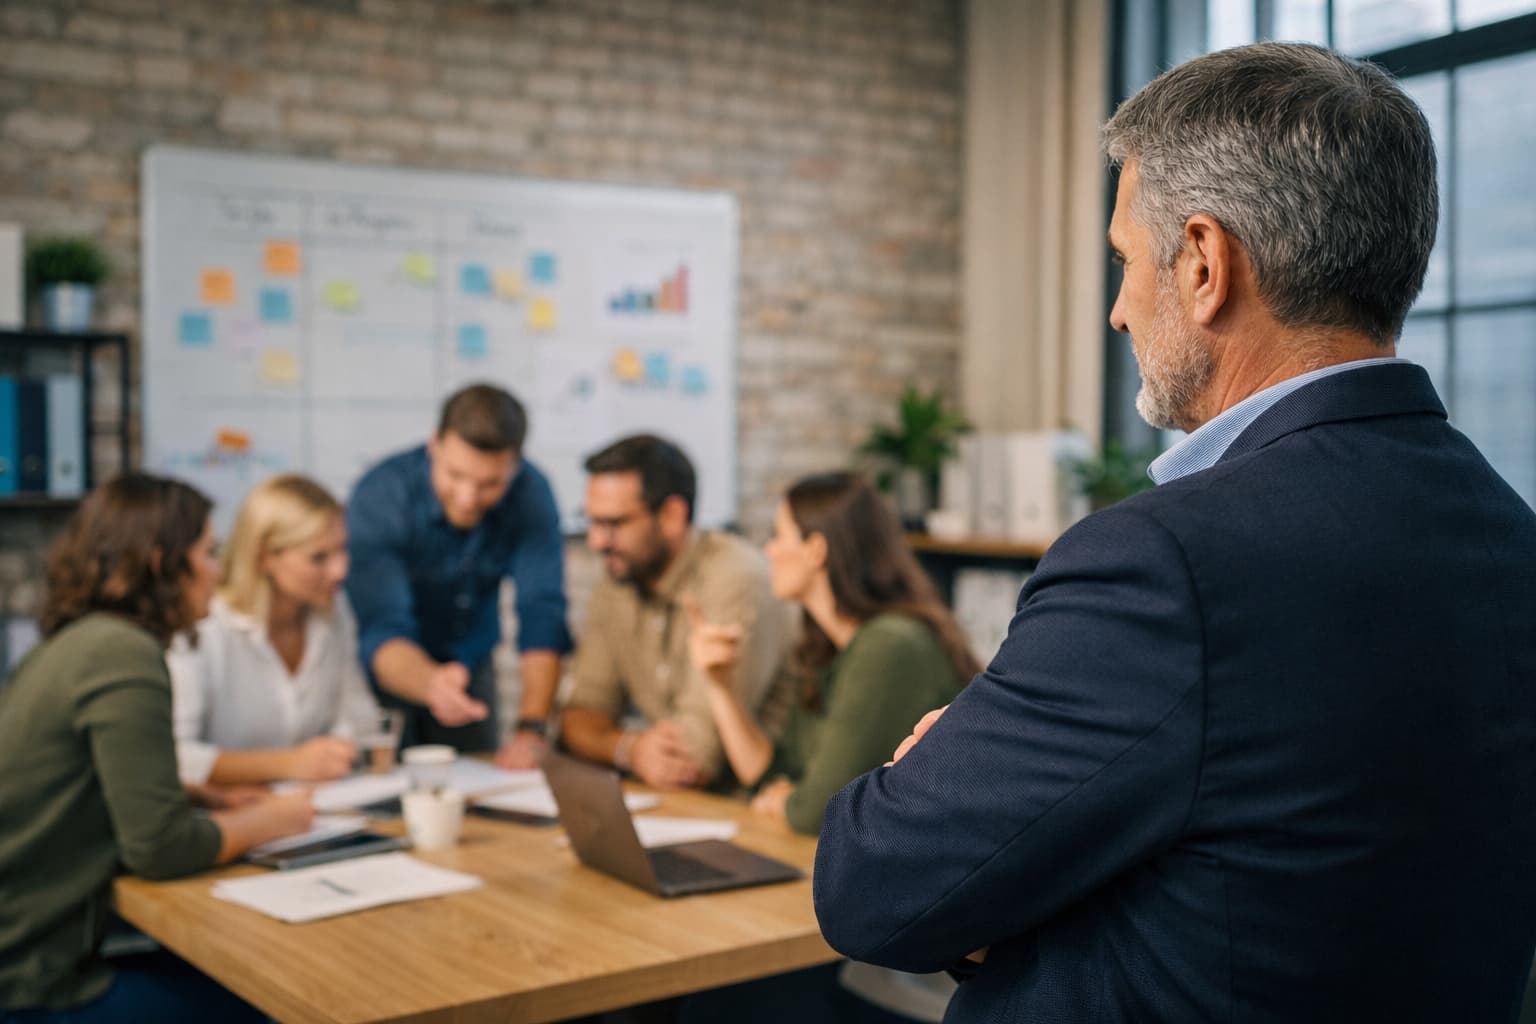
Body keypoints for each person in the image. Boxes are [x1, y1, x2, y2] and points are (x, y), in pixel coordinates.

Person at [813, 42, 1536, 1023]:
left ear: (1203, 262)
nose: (1116, 310)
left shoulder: (1163, 564)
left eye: (1123, 260)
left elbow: (870, 887)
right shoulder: (1508, 533)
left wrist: (930, 785)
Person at [0, 473, 314, 1022]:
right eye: (208, 554)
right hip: (32, 985)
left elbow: (84, 786)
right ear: (159, 563)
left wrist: (194, 796)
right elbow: (160, 848)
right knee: (277, 1002)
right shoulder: (123, 654)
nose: (218, 573)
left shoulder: (74, 643)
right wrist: (277, 819)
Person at [687, 471, 974, 834]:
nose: (768, 551)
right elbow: (768, 774)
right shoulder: (827, 648)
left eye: (778, 535)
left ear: (816, 549)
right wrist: (719, 686)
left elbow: (816, 811)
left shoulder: (890, 645)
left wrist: (791, 802)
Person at [346, 383, 572, 764]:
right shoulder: (380, 495)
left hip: (470, 669)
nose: (468, 498)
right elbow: (381, 624)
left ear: (515, 465)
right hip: (389, 670)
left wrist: (532, 728)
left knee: (477, 783)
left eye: (489, 484)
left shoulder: (531, 492)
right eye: (455, 475)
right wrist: (432, 684)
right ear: (434, 443)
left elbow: (541, 611)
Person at [557, 434, 797, 789]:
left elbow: (696, 760)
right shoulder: (619, 578)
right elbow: (579, 717)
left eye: (614, 524)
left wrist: (616, 745)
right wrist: (629, 748)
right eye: (590, 521)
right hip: (683, 805)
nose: (596, 541)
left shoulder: (734, 577)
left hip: (758, 803)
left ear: (672, 515)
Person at [167, 474, 381, 786]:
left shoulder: (334, 609)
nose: (340, 570)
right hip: (226, 819)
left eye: (342, 550)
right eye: (318, 558)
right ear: (266, 556)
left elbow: (360, 719)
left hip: (315, 811)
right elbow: (172, 756)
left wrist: (339, 751)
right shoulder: (204, 624)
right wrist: (288, 764)